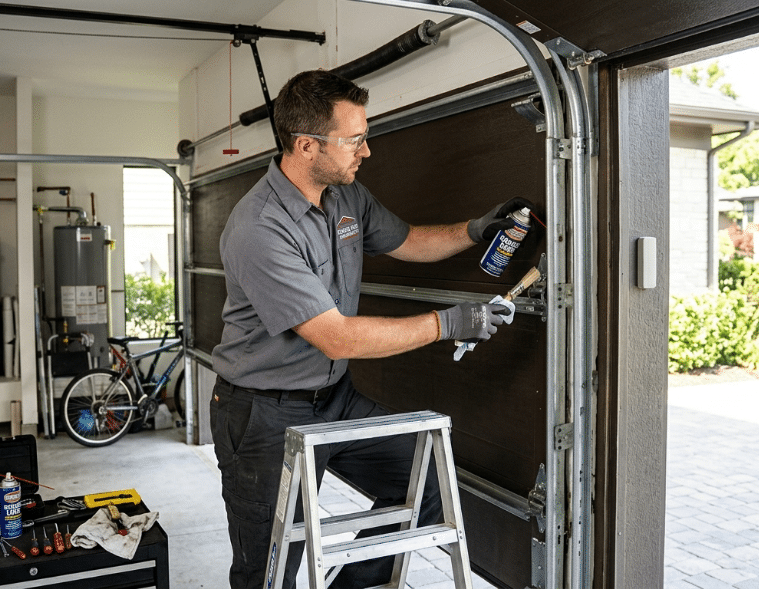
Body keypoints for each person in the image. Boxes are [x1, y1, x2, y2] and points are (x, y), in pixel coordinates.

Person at [210, 69, 533, 588]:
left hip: (334, 398)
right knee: (268, 566)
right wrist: (446, 323)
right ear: (307, 146)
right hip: (263, 414)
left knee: (426, 484)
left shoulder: (346, 197)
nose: (367, 151)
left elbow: (408, 240)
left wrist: (475, 230)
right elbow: (337, 336)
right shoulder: (259, 227)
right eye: (355, 140)